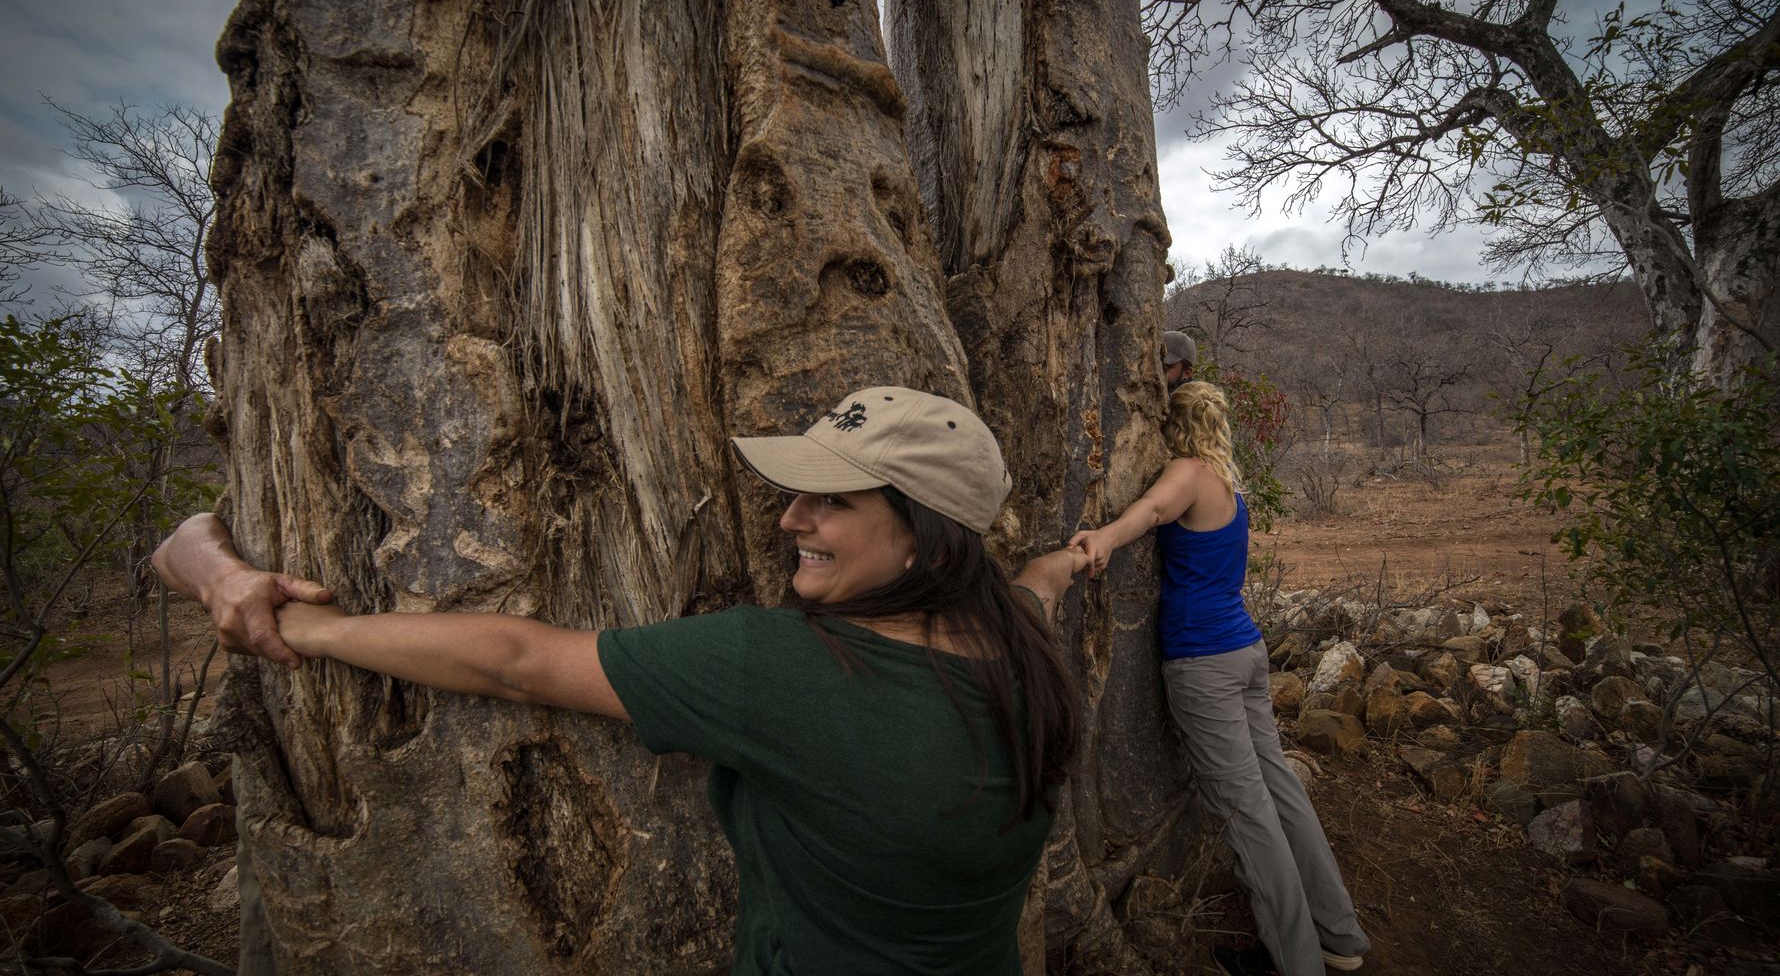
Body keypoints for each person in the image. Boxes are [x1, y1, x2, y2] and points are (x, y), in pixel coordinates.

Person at [154, 386, 1091, 976]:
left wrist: (307, 624)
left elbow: (516, 661)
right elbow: (1038, 582)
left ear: (928, 539)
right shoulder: (1023, 646)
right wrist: (1089, 549)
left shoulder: (780, 669)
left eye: (832, 501)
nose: (789, 518)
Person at [1069, 381, 1368, 976]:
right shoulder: (1228, 479)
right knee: (1280, 791)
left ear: (1173, 425)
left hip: (1204, 660)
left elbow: (1153, 510)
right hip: (1244, 650)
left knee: (1245, 810)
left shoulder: (1187, 472)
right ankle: (1339, 935)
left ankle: (1294, 962)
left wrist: (1104, 536)